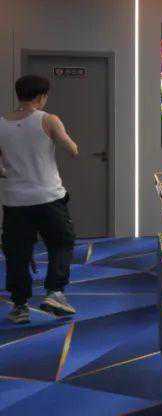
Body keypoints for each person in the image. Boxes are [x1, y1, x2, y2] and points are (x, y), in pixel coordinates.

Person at [1, 75, 80, 324]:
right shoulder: (48, 120)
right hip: (48, 197)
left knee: (17, 253)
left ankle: (19, 306)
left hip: (15, 201)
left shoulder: (1, 123)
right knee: (62, 242)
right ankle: (55, 292)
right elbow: (72, 149)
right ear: (41, 96)